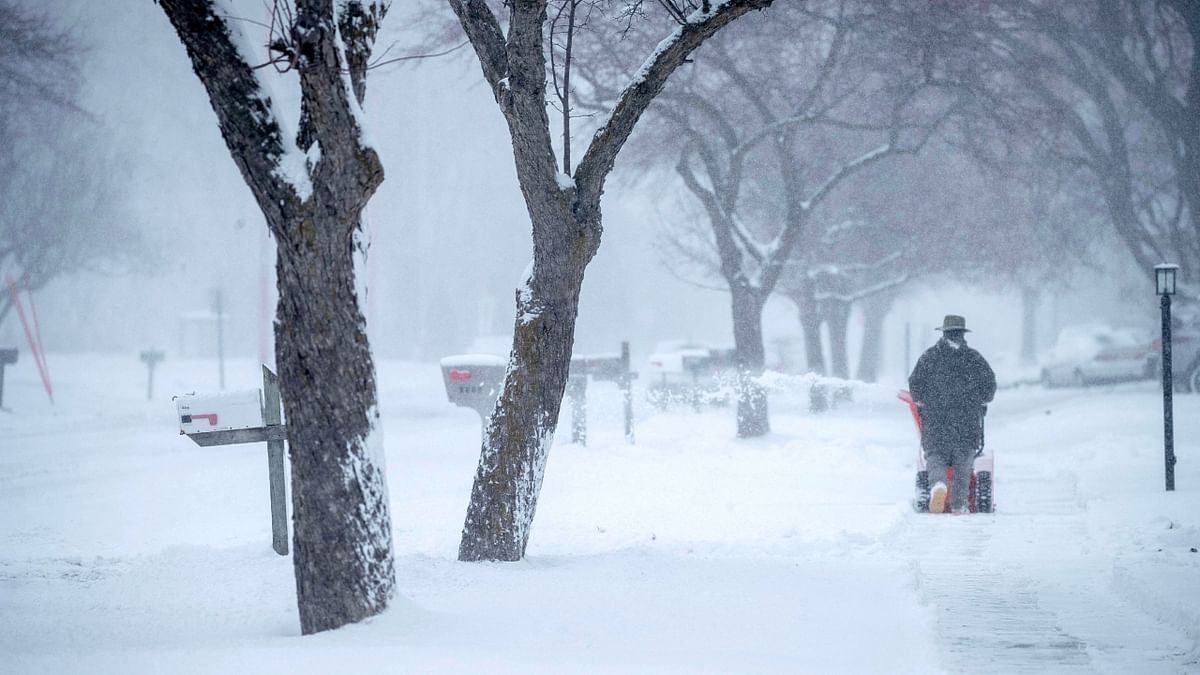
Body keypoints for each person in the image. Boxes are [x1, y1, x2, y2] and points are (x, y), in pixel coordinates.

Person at [908, 314, 996, 514]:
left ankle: (938, 485)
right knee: (964, 461)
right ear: (962, 334)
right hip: (966, 424)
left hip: (935, 423)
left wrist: (924, 401)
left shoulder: (929, 357)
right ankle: (958, 503)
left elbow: (915, 384)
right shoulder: (974, 359)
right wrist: (980, 399)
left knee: (935, 457)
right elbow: (990, 385)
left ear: (944, 333)